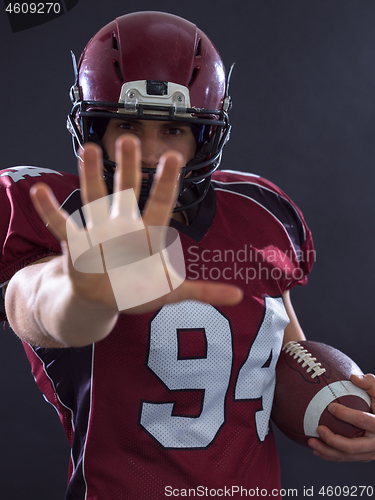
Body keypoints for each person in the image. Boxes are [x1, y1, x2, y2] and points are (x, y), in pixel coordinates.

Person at [1, 10, 375, 499]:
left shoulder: (260, 212)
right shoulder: (57, 210)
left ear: (206, 137)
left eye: (173, 131)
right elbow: (31, 305)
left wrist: (340, 406)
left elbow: (281, 355)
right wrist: (84, 290)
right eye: (128, 124)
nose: (152, 153)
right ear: (92, 128)